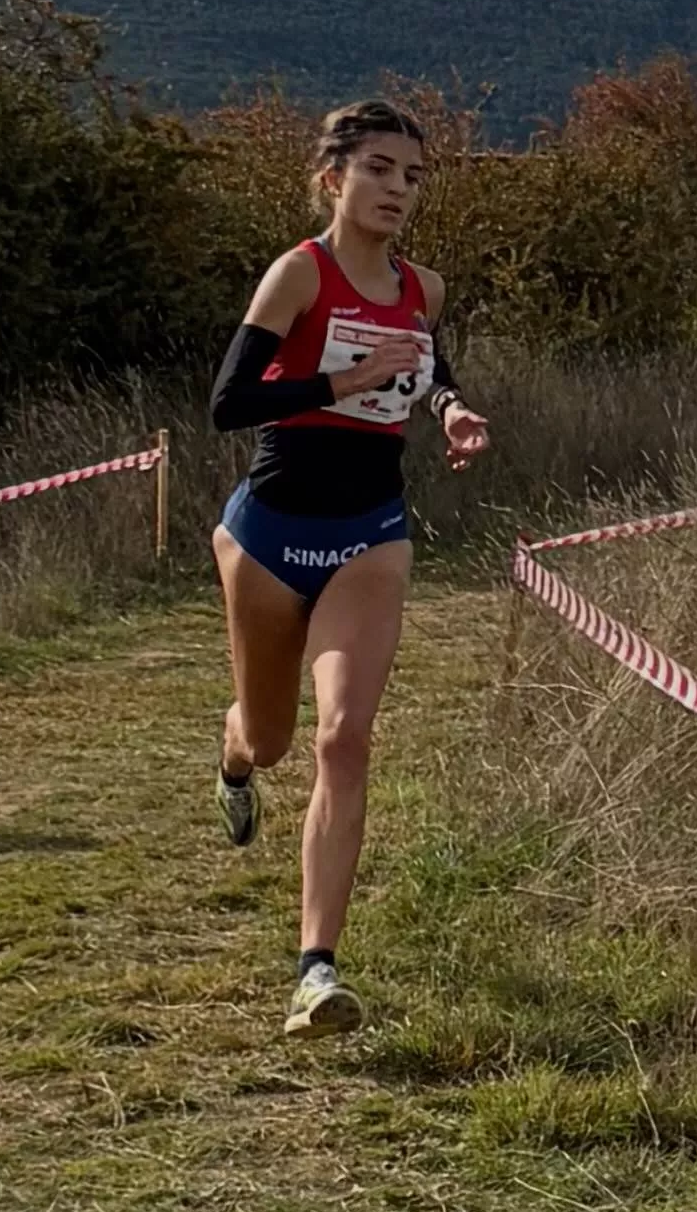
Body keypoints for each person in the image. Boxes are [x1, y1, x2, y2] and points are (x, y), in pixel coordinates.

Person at [208, 99, 491, 1039]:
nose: (397, 189)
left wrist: (450, 411)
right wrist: (344, 380)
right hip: (269, 535)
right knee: (271, 738)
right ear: (333, 177)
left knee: (344, 738)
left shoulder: (424, 288)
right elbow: (228, 403)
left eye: (412, 175)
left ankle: (315, 970)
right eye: (377, 168)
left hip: (369, 532)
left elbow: (428, 367)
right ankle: (233, 753)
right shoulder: (300, 272)